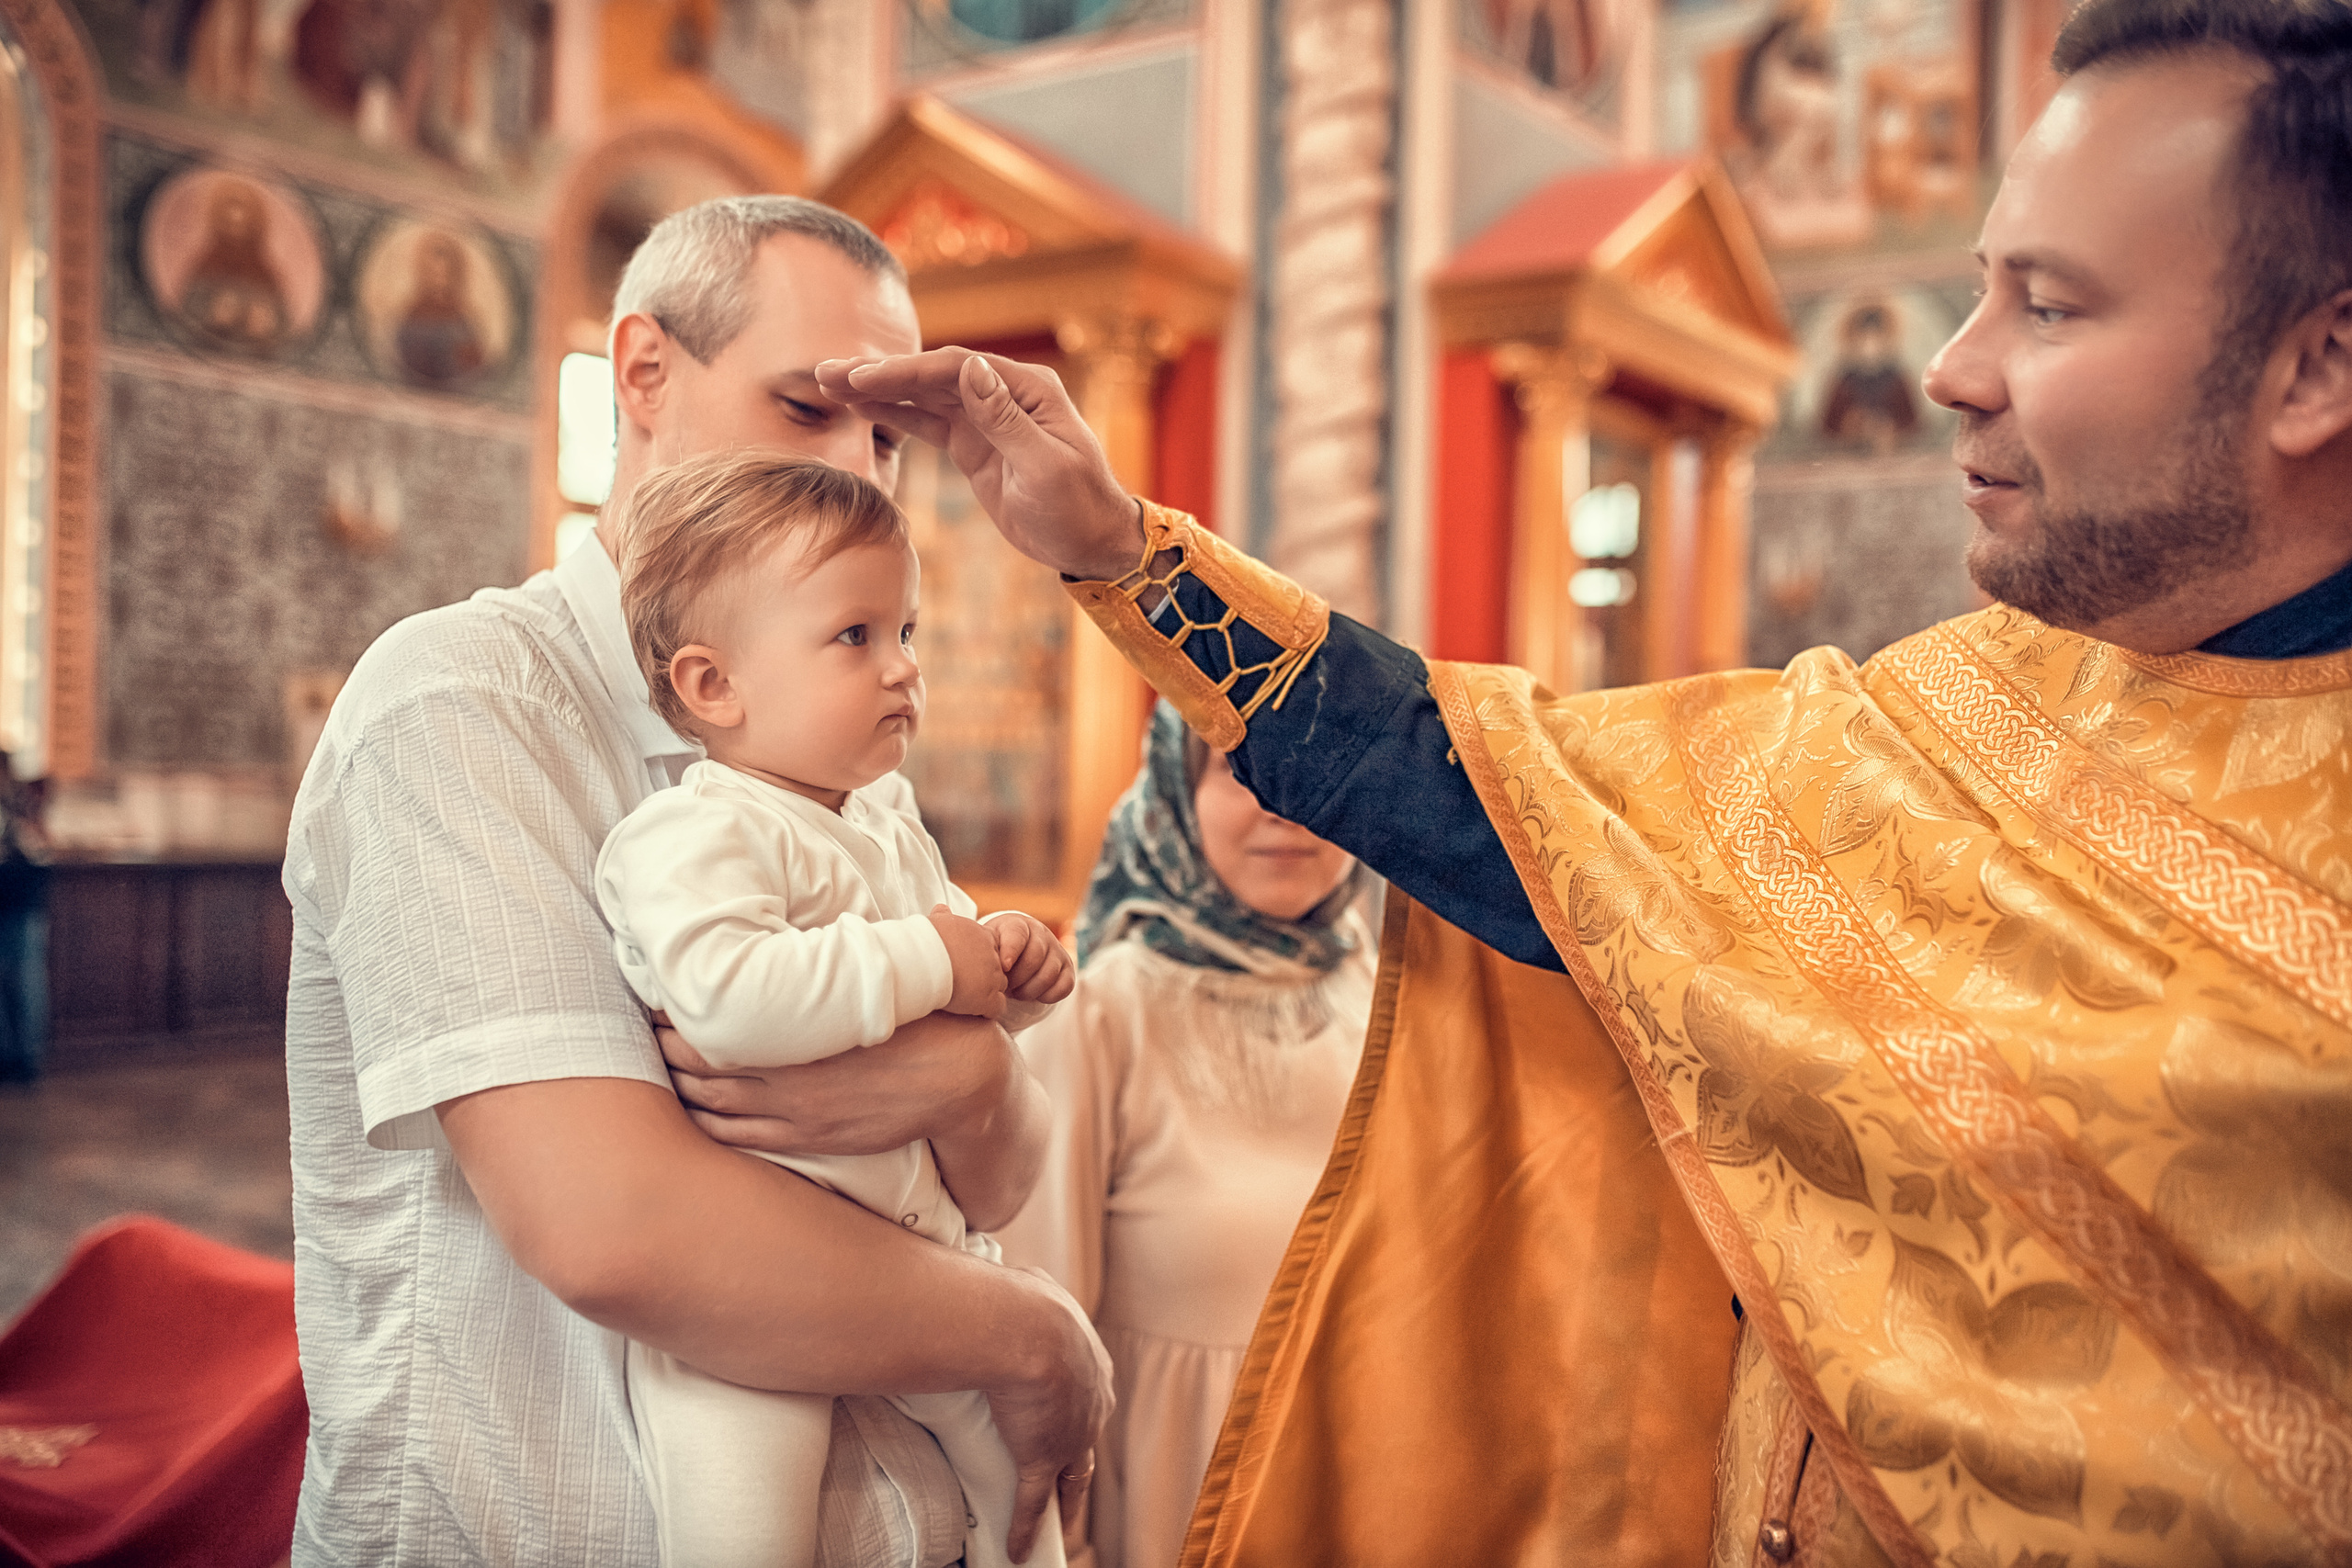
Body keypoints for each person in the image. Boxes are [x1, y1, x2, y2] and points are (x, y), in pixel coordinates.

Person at [815, 0, 2352, 1561]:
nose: (1957, 370)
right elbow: (1522, 805)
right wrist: (1118, 554)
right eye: (1977, 293)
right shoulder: (1950, 715)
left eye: (2054, 308)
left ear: (2319, 366)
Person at [284, 197, 1109, 1568]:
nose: (861, 470)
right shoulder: (463, 704)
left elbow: (1007, 1168)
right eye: (810, 408)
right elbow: (618, 1228)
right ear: (646, 372)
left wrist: (967, 1080)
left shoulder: (845, 757)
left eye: (888, 435)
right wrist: (1032, 1335)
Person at [594, 450, 1077, 1568]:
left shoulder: (885, 819)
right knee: (744, 1535)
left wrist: (1005, 967)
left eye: (907, 632)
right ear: (714, 686)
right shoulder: (694, 836)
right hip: (749, 1294)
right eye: (855, 637)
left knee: (1026, 1501)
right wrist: (935, 959)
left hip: (924, 1270)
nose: (903, 668)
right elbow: (730, 1001)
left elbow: (955, 993)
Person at [998, 704, 1374, 1568]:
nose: (1283, 805)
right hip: (1170, 1506)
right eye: (1238, 770)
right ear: (1175, 787)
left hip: (1355, 1497)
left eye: (1313, 768)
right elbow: (1036, 1337)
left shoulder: (1384, 997)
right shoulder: (1099, 1009)